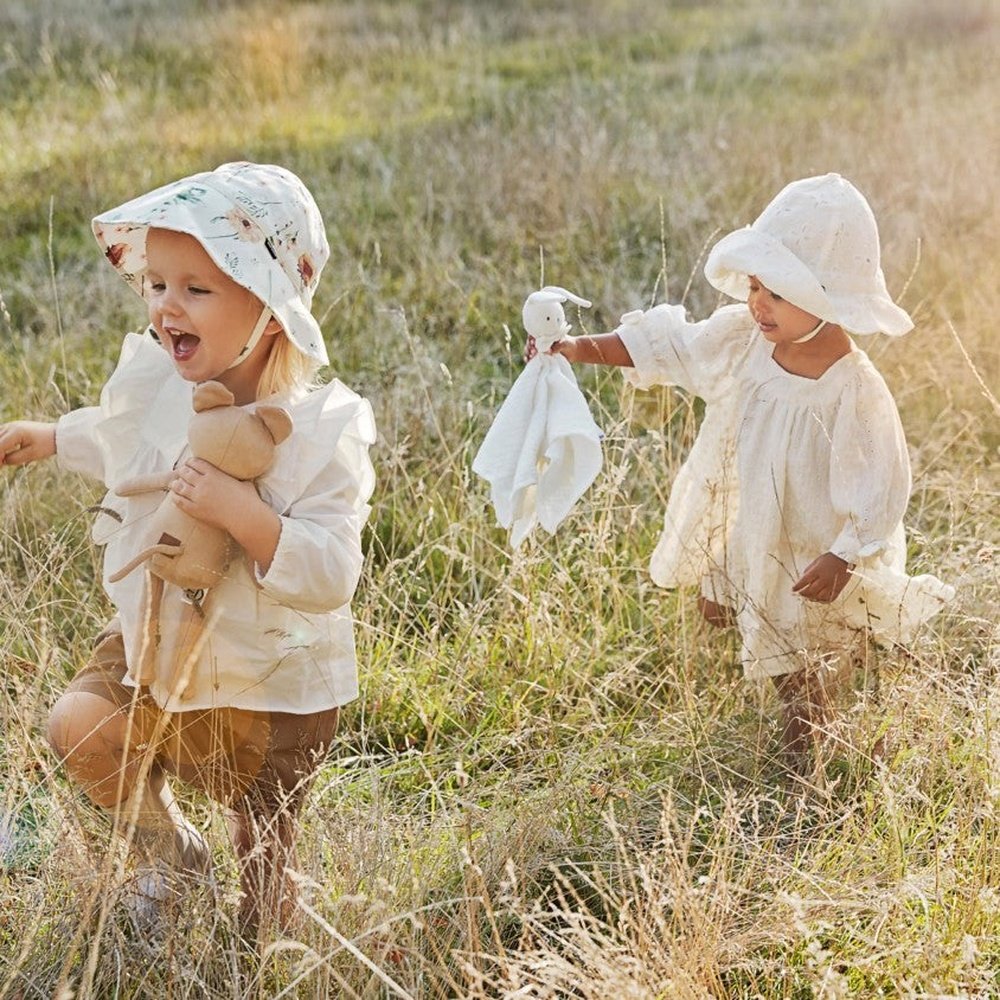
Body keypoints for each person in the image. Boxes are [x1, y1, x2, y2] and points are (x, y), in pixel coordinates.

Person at [0, 162, 376, 938]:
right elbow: (121, 445)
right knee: (79, 726)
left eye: (197, 289)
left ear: (269, 312)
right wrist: (47, 437)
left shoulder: (320, 435)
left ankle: (260, 932)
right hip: (159, 647)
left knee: (265, 856)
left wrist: (244, 513)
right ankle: (168, 851)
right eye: (159, 283)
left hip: (267, 680)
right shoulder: (162, 389)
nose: (167, 304)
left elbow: (332, 571)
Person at [527, 173, 953, 767]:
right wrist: (578, 348)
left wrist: (846, 552)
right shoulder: (744, 340)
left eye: (776, 293)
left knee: (798, 654)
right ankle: (825, 681)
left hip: (813, 543)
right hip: (753, 519)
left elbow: (884, 485)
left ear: (828, 296)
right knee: (718, 605)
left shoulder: (853, 390)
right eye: (755, 286)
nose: (757, 303)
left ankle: (813, 759)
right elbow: (672, 347)